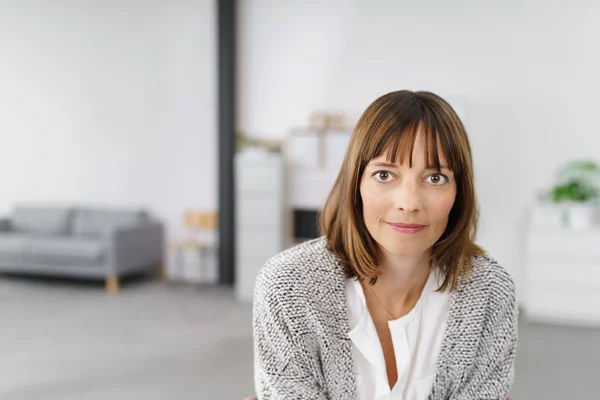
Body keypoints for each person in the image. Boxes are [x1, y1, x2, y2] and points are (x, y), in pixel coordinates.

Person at [250, 90, 518, 400]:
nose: (408, 203)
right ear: (356, 184)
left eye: (435, 178)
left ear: (459, 191)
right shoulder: (289, 285)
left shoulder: (489, 291)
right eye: (384, 174)